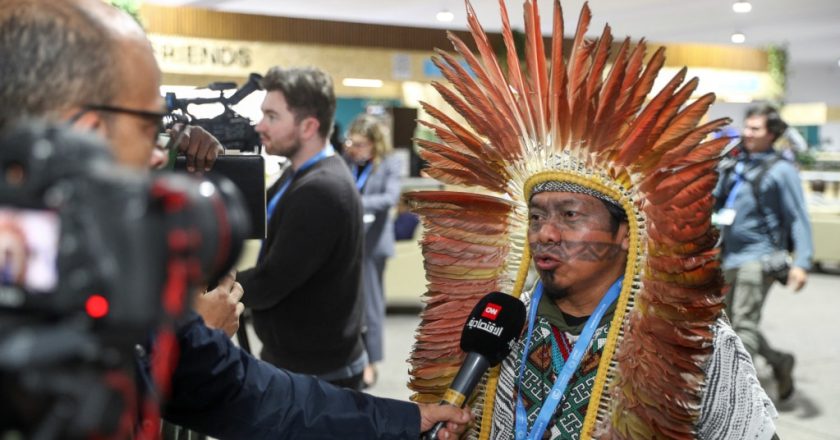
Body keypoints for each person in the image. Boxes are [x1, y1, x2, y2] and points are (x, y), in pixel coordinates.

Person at [0, 0, 472, 438]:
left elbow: (254, 393)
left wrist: (402, 420)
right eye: (150, 128)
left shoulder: (114, 279)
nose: (161, 155)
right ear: (86, 133)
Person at [405, 1, 780, 438]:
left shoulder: (688, 338)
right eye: (538, 216)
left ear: (627, 233)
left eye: (569, 215)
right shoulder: (503, 323)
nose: (545, 233)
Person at [237, 66, 367, 390]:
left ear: (309, 126)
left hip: (316, 372)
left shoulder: (321, 190)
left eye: (272, 116)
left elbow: (272, 281)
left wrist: (212, 287)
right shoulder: (297, 175)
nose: (259, 126)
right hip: (298, 360)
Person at [714, 104, 814, 401]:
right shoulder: (735, 163)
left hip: (759, 257)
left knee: (743, 324)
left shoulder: (782, 171)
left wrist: (803, 262)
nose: (747, 133)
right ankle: (779, 361)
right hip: (726, 255)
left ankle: (739, 398)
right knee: (727, 324)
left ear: (772, 134)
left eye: (755, 129)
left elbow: (798, 216)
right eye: (747, 126)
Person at [343, 114, 404, 388]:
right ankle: (352, 357)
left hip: (373, 245)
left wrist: (354, 199)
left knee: (372, 307)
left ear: (375, 143)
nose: (356, 149)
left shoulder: (391, 162)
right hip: (349, 242)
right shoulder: (347, 161)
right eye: (352, 143)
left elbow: (390, 199)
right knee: (350, 305)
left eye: (362, 144)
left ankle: (371, 363)